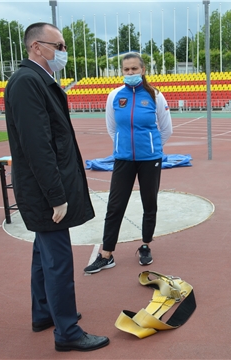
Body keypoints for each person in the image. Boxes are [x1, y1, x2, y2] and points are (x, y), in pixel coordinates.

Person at [4, 22, 109, 351]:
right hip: (44, 192)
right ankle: (67, 332)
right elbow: (38, 147)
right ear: (37, 47)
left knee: (43, 253)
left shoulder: (35, 80)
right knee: (58, 260)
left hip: (41, 190)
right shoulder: (27, 82)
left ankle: (44, 312)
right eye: (58, 45)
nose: (63, 51)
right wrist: (56, 197)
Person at [84, 52, 173, 274]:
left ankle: (145, 246)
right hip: (123, 159)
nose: (130, 73)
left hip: (150, 160)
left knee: (149, 203)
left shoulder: (155, 96)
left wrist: (150, 148)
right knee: (115, 206)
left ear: (143, 70)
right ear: (122, 72)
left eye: (134, 69)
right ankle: (107, 254)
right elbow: (112, 128)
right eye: (126, 70)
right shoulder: (114, 96)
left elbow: (166, 129)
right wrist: (124, 147)